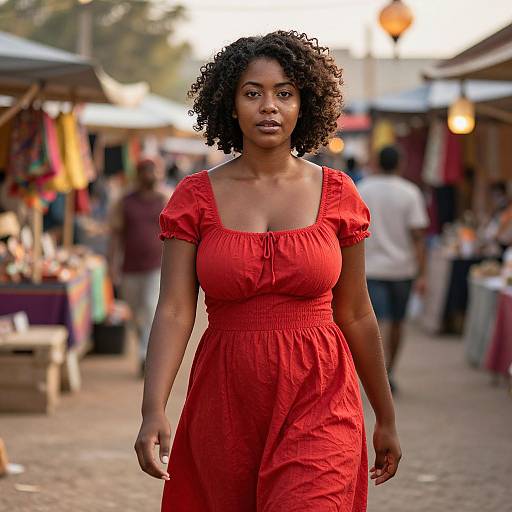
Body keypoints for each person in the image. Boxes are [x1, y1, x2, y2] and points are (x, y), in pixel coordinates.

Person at [135, 31, 401, 511]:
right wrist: (153, 407)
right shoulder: (194, 197)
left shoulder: (339, 194)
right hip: (227, 397)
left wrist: (385, 414)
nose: (269, 107)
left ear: (305, 104)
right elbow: (175, 310)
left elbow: (357, 313)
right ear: (230, 104)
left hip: (320, 391)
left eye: (284, 93)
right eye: (252, 93)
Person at [358, 145, 429, 392]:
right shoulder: (410, 192)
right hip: (402, 269)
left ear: (377, 162)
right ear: (400, 163)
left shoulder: (362, 189)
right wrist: (423, 273)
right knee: (397, 323)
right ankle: (389, 371)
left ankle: (373, 375)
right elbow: (418, 237)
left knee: (373, 323)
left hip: (369, 269)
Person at [109, 158, 167, 376]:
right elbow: (115, 235)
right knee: (133, 313)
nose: (150, 175)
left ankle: (146, 357)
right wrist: (112, 264)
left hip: (157, 266)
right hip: (130, 267)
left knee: (151, 308)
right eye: (146, 171)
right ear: (139, 174)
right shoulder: (124, 202)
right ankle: (144, 348)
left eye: (153, 171)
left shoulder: (165, 199)